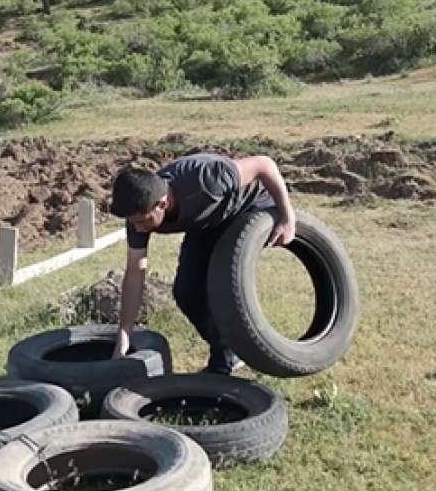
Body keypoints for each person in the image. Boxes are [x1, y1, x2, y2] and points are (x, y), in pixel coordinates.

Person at [108, 152, 297, 374]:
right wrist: (124, 333)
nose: (138, 228)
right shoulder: (138, 213)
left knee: (221, 286)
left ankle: (223, 363)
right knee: (186, 292)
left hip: (249, 205)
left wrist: (287, 217)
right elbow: (135, 271)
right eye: (133, 223)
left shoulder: (207, 179)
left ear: (162, 203)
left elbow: (264, 165)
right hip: (208, 221)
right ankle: (230, 353)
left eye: (142, 222)